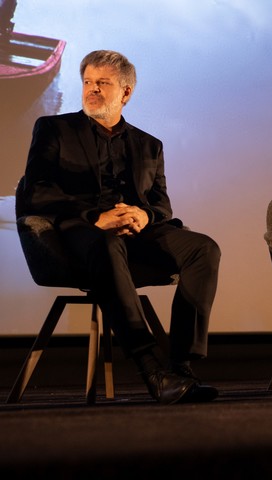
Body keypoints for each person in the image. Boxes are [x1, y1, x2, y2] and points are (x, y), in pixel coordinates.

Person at [17, 50, 221, 404]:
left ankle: (180, 366)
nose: (92, 90)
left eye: (103, 83)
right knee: (107, 243)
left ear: (126, 93)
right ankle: (150, 369)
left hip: (136, 232)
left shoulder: (149, 144)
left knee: (203, 248)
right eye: (87, 83)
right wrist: (94, 217)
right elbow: (36, 190)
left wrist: (145, 216)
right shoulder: (54, 129)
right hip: (78, 234)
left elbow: (161, 204)